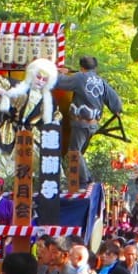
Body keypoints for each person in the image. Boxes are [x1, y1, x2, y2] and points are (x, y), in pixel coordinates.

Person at [54, 56, 123, 187]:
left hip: (81, 123)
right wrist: (117, 110)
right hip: (93, 124)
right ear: (95, 68)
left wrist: (59, 73)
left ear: (81, 67)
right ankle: (79, 180)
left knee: (74, 151)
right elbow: (116, 104)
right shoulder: (101, 82)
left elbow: (60, 83)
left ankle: (84, 181)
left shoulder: (80, 77)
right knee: (78, 151)